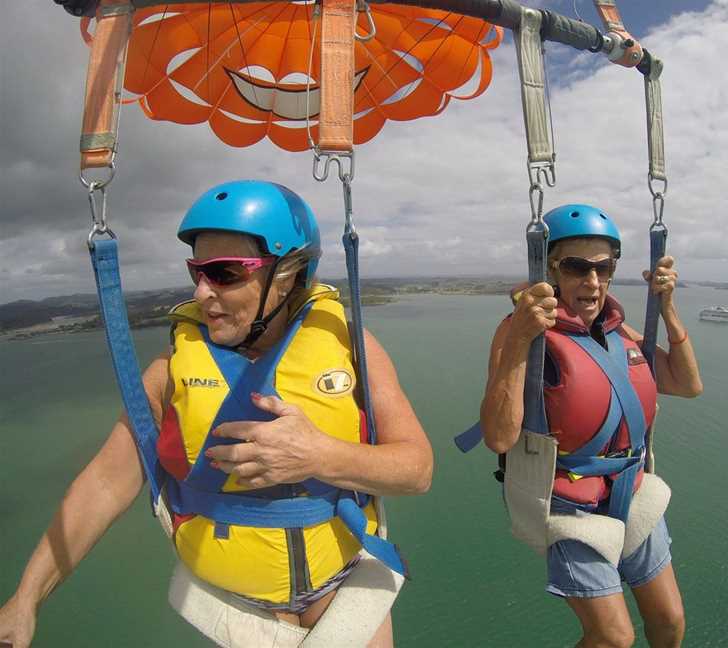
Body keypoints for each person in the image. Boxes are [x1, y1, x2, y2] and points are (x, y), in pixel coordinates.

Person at [0, 180, 433, 648]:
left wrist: (320, 457)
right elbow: (104, 483)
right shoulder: (169, 373)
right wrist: (25, 600)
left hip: (343, 586)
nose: (204, 292)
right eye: (197, 272)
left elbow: (417, 470)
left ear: (290, 274)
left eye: (225, 272)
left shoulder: (352, 348)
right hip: (237, 608)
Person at [480, 204, 702, 648]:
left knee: (670, 621)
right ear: (552, 271)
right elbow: (499, 436)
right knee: (612, 638)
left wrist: (668, 309)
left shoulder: (618, 332)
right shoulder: (521, 331)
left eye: (604, 268)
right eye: (577, 267)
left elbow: (686, 383)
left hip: (630, 487)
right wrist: (522, 338)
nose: (593, 282)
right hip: (569, 501)